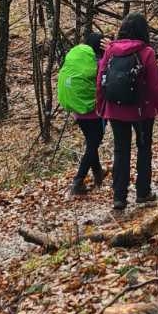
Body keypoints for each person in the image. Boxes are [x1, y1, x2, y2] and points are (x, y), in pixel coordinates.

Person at [96, 13, 158, 212]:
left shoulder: (110, 50)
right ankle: (143, 192)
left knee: (120, 150)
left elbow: (101, 78)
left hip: (115, 109)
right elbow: (154, 85)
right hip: (141, 110)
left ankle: (119, 196)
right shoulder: (147, 52)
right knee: (144, 149)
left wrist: (100, 104)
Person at [57, 29, 107, 195]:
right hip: (93, 110)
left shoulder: (74, 57)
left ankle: (98, 173)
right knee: (94, 143)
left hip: (77, 109)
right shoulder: (98, 62)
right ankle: (78, 180)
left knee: (91, 142)